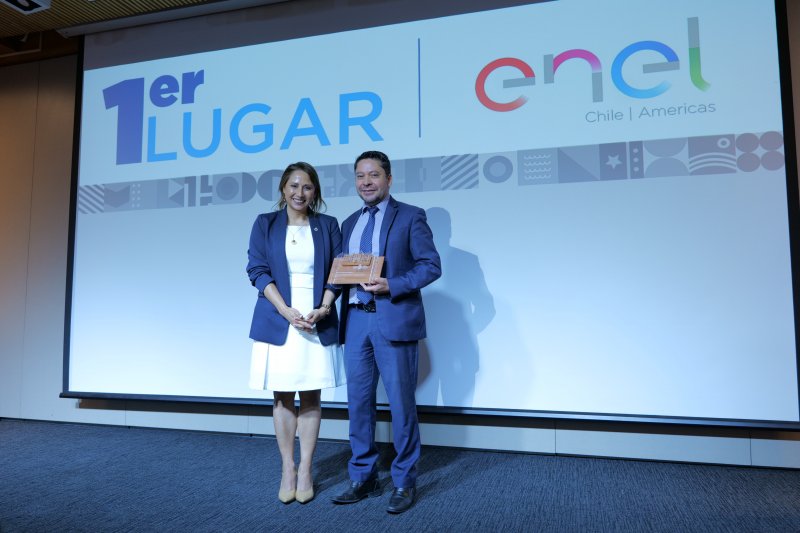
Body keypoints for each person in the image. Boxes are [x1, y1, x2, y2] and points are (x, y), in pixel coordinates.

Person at [331, 150, 441, 514]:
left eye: (374, 175)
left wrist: (392, 284)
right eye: (360, 176)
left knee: (400, 404)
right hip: (355, 319)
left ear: (389, 179)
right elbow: (342, 271)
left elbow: (430, 266)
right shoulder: (349, 223)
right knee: (358, 403)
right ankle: (363, 476)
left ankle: (404, 480)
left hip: (392, 317)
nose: (366, 182)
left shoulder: (411, 215)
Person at [246, 161, 345, 505]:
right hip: (279, 316)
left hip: (317, 317)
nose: (299, 193)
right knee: (283, 396)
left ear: (315, 191)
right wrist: (286, 310)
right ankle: (287, 468)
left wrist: (325, 307)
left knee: (312, 396)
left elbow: (338, 271)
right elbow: (257, 270)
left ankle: (306, 470)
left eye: (307, 187)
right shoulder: (265, 223)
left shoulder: (328, 225)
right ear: (283, 189)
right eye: (293, 186)